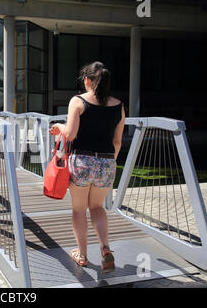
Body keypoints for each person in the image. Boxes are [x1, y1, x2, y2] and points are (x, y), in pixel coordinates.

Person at [50, 61, 125, 273]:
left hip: (82, 162)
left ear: (88, 81)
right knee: (98, 207)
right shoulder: (119, 105)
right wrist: (108, 161)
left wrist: (59, 127)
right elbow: (117, 142)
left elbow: (71, 134)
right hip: (107, 162)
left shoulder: (78, 101)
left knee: (78, 209)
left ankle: (82, 255)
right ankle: (105, 248)